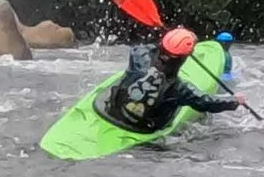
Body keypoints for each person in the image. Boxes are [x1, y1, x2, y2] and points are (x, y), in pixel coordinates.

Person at [100, 25, 247, 134]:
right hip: (145, 128)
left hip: (113, 113)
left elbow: (144, 48)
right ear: (185, 58)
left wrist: (167, 41)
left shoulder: (138, 58)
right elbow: (206, 102)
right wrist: (234, 101)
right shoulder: (180, 89)